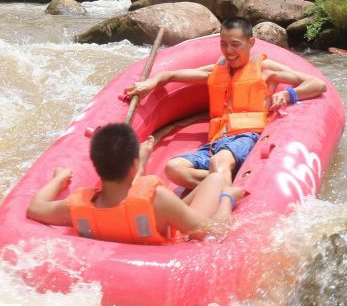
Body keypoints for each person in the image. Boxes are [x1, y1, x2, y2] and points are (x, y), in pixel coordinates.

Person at [123, 16, 327, 190]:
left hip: (247, 137)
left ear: (251, 43)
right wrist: (152, 82)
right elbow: (172, 75)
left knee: (219, 161)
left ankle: (220, 183)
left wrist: (288, 95)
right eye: (223, 44)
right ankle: (226, 183)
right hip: (216, 142)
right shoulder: (217, 71)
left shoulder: (265, 68)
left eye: (235, 44)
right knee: (173, 169)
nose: (229, 51)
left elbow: (317, 84)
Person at [26, 123, 244, 243]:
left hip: (139, 225)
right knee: (216, 179)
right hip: (170, 248)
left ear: (96, 164)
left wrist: (58, 179)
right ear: (133, 163)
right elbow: (216, 232)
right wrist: (227, 199)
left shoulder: (75, 208)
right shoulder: (159, 200)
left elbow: (35, 208)